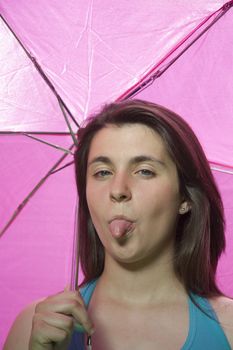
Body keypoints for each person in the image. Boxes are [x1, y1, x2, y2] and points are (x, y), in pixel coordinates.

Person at [4, 99, 233, 349]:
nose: (118, 190)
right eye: (103, 172)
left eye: (144, 171)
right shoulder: (33, 328)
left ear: (185, 198)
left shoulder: (229, 328)